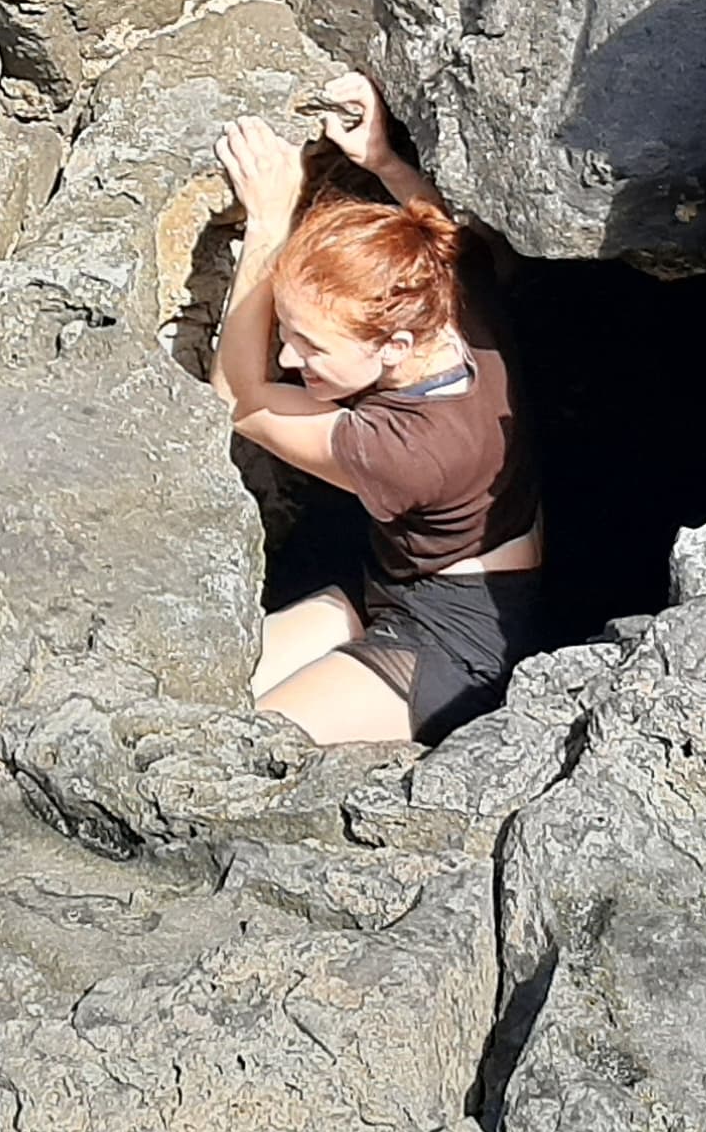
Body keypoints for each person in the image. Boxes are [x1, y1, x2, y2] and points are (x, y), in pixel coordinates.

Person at [212, 71, 543, 744]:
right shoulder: (447, 299)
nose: (288, 361)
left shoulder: (411, 450)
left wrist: (271, 218)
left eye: (310, 346)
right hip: (394, 586)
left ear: (394, 346)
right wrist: (381, 158)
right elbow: (440, 232)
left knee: (242, 745)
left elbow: (242, 397)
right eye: (288, 335)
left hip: (453, 644)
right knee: (207, 693)